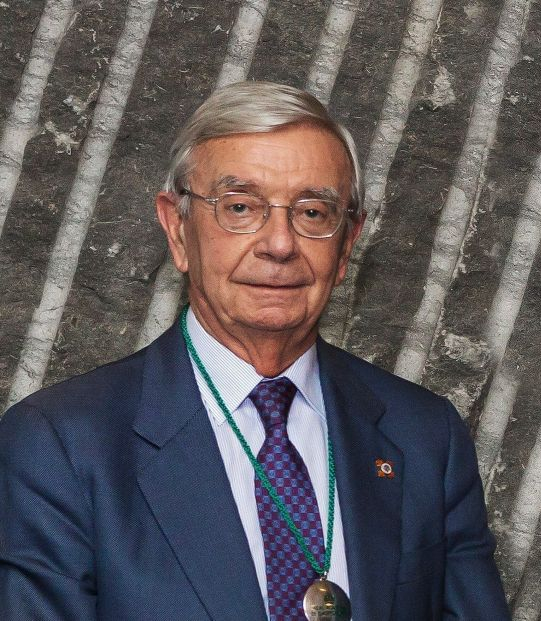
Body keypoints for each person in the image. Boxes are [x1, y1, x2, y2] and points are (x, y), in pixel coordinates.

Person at [0, 81, 509, 620]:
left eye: (313, 213)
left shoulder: (425, 435)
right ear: (177, 228)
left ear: (347, 244)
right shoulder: (59, 445)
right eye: (240, 207)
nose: (280, 243)